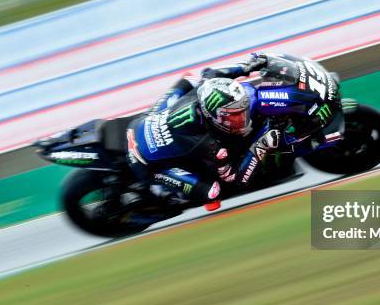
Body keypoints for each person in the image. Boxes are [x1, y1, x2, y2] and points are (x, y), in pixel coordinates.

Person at [126, 53, 341, 210]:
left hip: (145, 122)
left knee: (189, 79)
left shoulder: (209, 85)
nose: (243, 115)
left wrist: (255, 64)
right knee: (214, 192)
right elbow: (236, 179)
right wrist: (263, 144)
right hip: (146, 161)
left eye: (242, 108)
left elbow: (212, 72)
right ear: (217, 117)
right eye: (235, 114)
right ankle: (165, 194)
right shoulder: (210, 145)